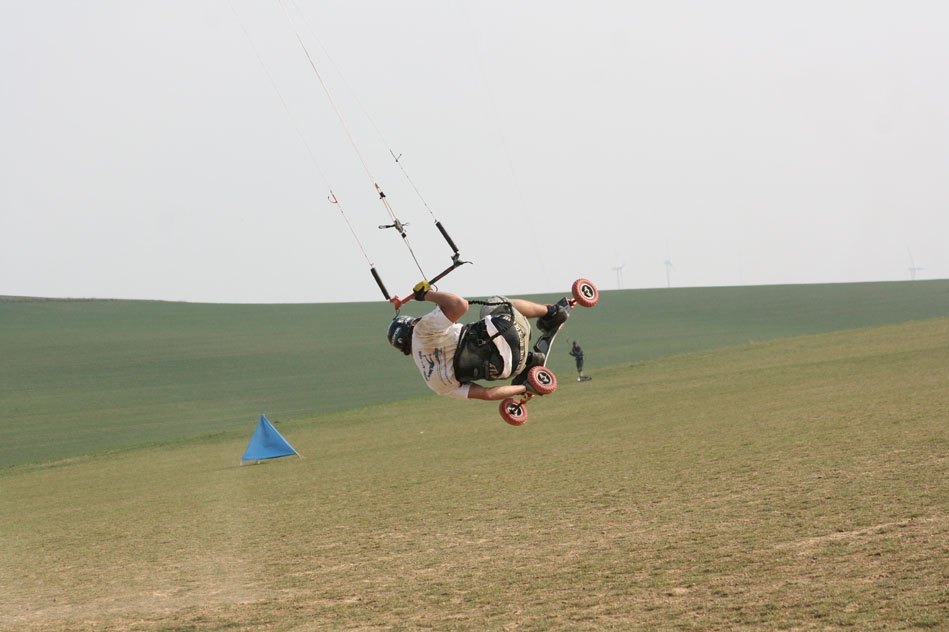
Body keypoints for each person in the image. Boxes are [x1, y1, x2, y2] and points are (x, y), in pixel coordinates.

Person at [386, 281, 569, 401]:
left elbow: (487, 394)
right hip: (510, 331)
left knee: (492, 361)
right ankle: (552, 314)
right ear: (411, 326)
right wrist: (426, 295)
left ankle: (529, 362)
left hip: (512, 368)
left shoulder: (433, 383)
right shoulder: (421, 331)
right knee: (495, 303)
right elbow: (460, 305)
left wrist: (526, 388)